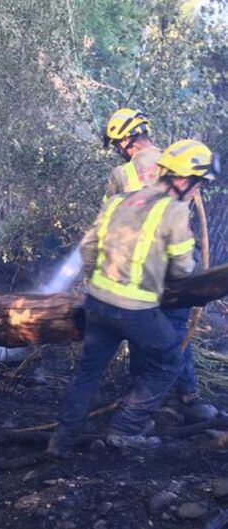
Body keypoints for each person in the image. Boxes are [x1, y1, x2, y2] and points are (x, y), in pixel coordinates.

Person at [48, 140, 220, 456]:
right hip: (136, 310)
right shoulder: (175, 211)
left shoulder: (119, 201)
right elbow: (183, 269)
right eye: (198, 184)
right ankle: (125, 428)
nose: (197, 191)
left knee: (89, 370)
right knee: (170, 360)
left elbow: (87, 248)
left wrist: (97, 281)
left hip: (97, 304)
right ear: (182, 179)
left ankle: (62, 438)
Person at [102, 108, 215, 418]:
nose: (116, 150)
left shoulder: (121, 174)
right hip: (178, 260)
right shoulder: (179, 160)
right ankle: (188, 396)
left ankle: (138, 402)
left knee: (143, 330)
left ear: (126, 139)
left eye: (115, 143)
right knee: (176, 329)